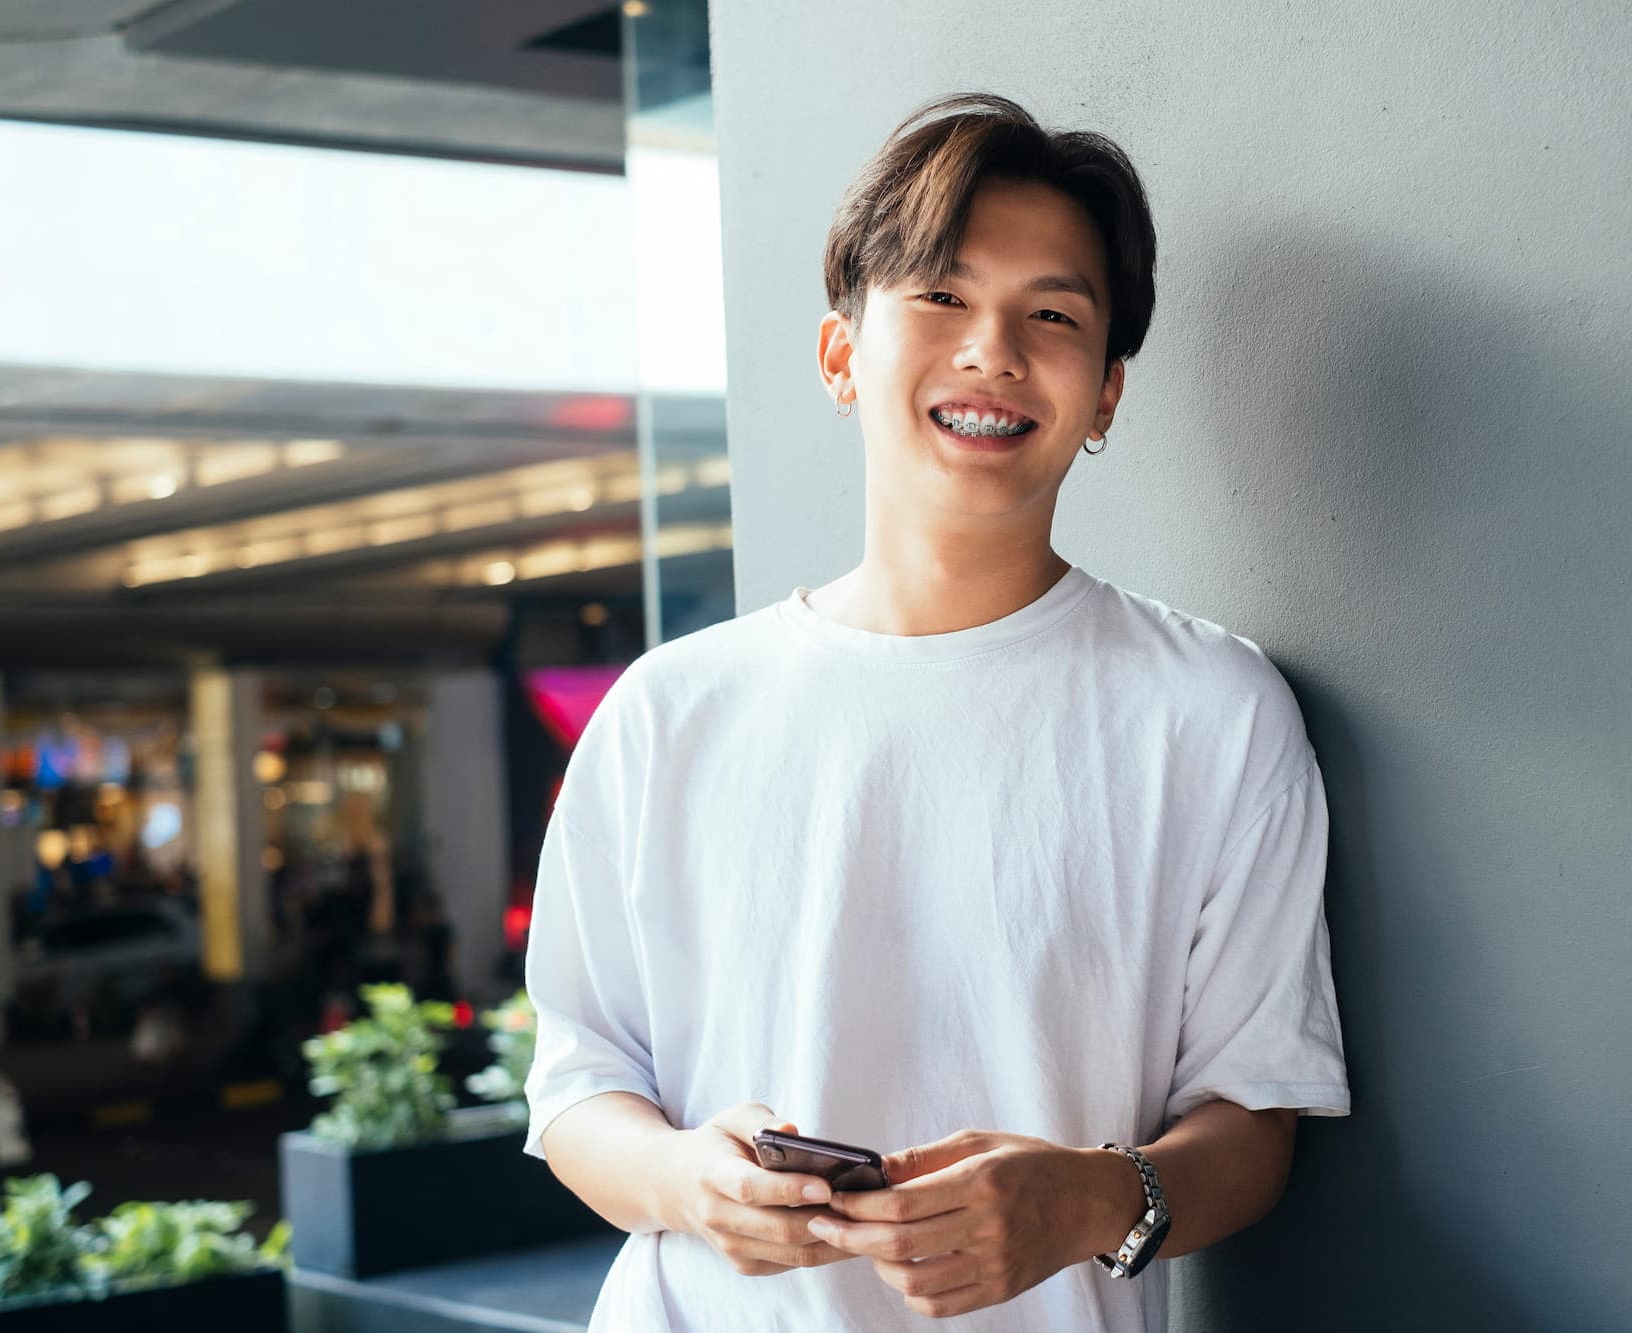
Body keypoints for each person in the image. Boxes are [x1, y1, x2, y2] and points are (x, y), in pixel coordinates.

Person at [523, 91, 1350, 1330]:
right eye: (942, 298)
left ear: (1107, 392)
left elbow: (1255, 1119)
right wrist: (691, 1183)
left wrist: (1086, 1200)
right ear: (841, 353)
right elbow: (578, 1093)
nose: (993, 352)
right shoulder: (666, 711)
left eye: (1052, 315)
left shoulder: (1213, 714)